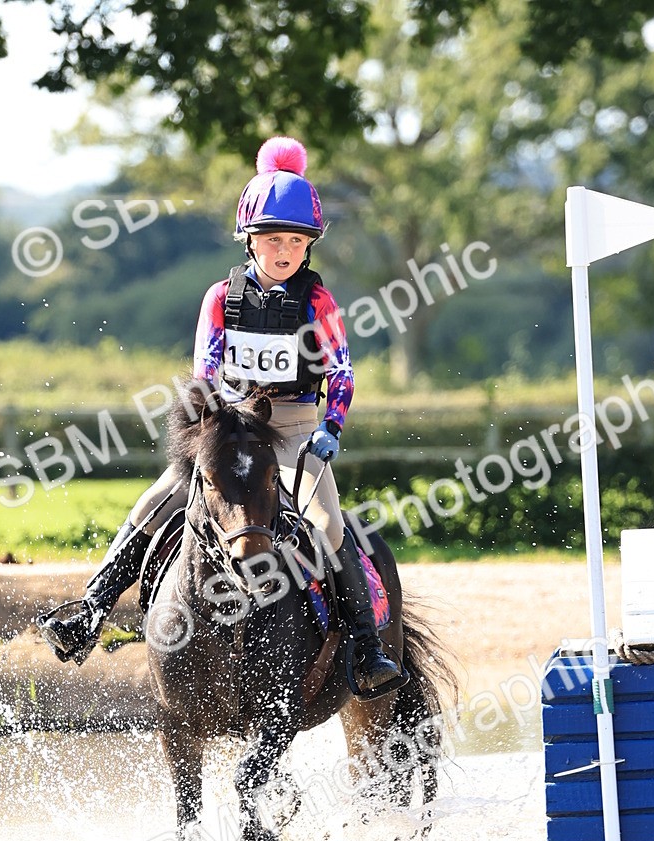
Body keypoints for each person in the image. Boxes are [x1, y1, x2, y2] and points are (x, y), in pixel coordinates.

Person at [38, 136, 403, 696]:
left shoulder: (317, 303)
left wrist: (329, 429)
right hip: (231, 426)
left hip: (295, 426)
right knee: (151, 504)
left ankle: (366, 648)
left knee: (329, 525)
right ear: (250, 241)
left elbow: (343, 373)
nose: (285, 250)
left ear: (310, 245)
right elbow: (205, 371)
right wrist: (208, 432)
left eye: (297, 241)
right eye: (273, 239)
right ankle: (90, 612)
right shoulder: (220, 297)